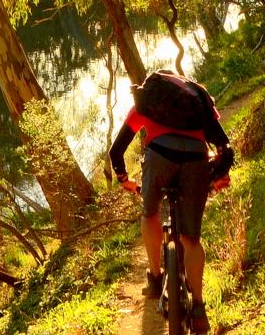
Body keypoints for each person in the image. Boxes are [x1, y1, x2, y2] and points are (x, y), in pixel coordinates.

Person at [108, 71, 234, 335]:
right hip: (196, 160)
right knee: (191, 240)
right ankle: (198, 307)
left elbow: (116, 150)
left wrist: (124, 179)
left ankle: (155, 277)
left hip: (159, 157)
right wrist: (218, 175)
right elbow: (224, 146)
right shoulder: (198, 102)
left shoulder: (148, 100)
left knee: (150, 213)